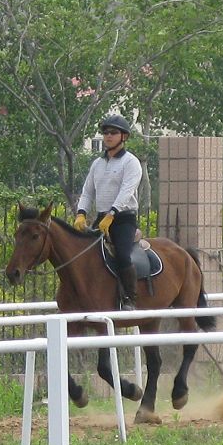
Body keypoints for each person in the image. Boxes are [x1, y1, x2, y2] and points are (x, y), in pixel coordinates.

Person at [73, 114, 143, 311]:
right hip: (102, 218)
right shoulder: (97, 163)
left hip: (123, 219)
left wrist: (112, 214)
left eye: (113, 132)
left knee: (122, 255)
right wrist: (81, 213)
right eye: (105, 132)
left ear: (124, 137)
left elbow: (126, 191)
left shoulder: (131, 162)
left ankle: (129, 298)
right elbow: (88, 191)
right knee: (83, 254)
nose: (108, 136)